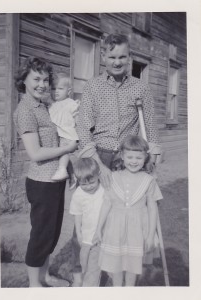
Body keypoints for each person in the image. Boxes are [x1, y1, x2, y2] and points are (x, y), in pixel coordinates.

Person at [70, 33, 161, 286]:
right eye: (112, 56)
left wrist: (153, 160)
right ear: (104, 57)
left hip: (127, 159)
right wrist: (100, 165)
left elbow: (150, 127)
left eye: (122, 56)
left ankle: (116, 276)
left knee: (122, 218)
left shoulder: (141, 87)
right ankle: (83, 276)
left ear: (129, 57)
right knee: (89, 217)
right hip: (96, 157)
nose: (117, 61)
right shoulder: (93, 86)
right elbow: (82, 129)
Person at [13, 56, 77, 287]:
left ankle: (46, 276)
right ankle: (34, 285)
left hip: (55, 179)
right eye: (36, 79)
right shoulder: (25, 110)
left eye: (45, 79)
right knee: (41, 233)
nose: (42, 84)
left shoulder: (46, 106)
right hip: (41, 182)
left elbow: (57, 138)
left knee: (51, 232)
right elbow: (36, 153)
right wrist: (69, 148)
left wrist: (69, 166)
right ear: (24, 81)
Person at [93, 134, 163, 286]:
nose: (134, 161)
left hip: (137, 230)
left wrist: (151, 235)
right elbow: (106, 204)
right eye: (130, 157)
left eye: (138, 158)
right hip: (115, 229)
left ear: (145, 158)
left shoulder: (149, 180)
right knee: (116, 264)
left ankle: (130, 288)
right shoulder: (113, 177)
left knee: (133, 264)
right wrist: (99, 228)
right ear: (122, 157)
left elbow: (152, 209)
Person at [69, 158, 104, 286]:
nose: (88, 187)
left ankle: (89, 289)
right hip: (85, 237)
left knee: (94, 268)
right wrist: (78, 232)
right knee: (83, 264)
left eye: (92, 183)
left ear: (98, 175)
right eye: (83, 184)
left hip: (99, 237)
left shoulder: (104, 190)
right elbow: (77, 214)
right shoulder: (78, 194)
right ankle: (82, 282)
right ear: (77, 180)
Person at [48, 72, 79, 186]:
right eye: (53, 88)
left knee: (64, 152)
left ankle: (62, 170)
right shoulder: (51, 105)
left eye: (60, 88)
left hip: (68, 133)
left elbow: (78, 117)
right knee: (64, 156)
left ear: (69, 91)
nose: (56, 91)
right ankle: (72, 175)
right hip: (58, 134)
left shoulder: (71, 103)